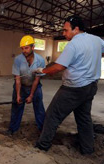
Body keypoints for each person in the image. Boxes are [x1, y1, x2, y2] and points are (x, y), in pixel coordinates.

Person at [34, 15, 104, 154]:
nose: (63, 33)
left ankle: (43, 145)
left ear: (76, 29)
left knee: (53, 115)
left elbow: (59, 67)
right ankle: (87, 149)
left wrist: (43, 71)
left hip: (73, 89)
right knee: (84, 118)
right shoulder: (97, 40)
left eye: (66, 30)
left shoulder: (73, 44)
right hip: (91, 87)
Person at [8, 35, 46, 135]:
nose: (24, 50)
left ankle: (43, 130)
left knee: (39, 109)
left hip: (35, 86)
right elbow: (17, 80)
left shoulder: (40, 60)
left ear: (33, 47)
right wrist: (18, 95)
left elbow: (36, 80)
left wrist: (31, 95)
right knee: (16, 107)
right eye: (22, 48)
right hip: (21, 86)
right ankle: (12, 129)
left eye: (26, 48)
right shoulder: (18, 59)